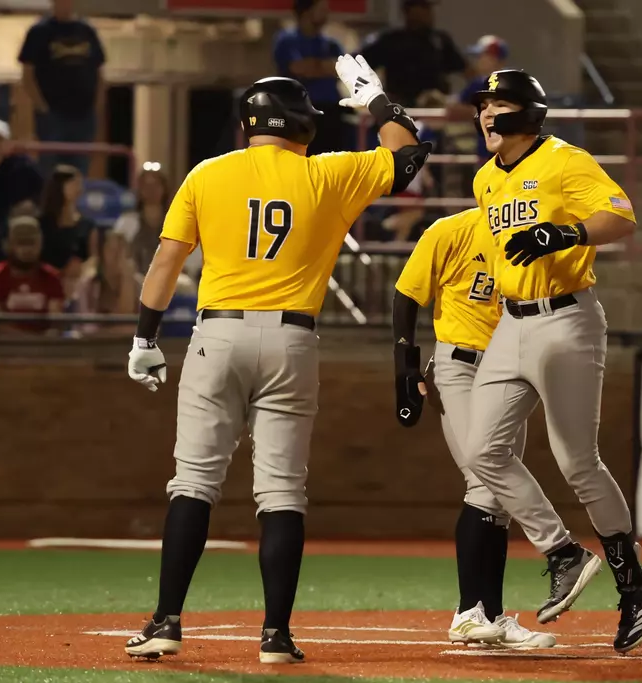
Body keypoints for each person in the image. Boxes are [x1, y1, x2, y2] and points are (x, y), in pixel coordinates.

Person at [122, 58, 432, 664]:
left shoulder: (207, 174)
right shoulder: (328, 174)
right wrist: (374, 99)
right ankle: (276, 637)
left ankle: (165, 621)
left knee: (192, 485)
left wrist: (143, 339)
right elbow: (409, 153)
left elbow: (165, 263)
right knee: (283, 493)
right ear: (299, 123)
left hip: (217, 336)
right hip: (293, 340)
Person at [440, 69, 642, 652]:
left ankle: (634, 581)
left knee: (577, 462)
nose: (487, 114)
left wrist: (561, 233)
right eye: (483, 104)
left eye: (500, 104)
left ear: (529, 114)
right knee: (482, 452)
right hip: (510, 322)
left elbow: (621, 216)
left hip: (567, 317)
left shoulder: (565, 159)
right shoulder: (486, 177)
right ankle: (563, 551)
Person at [392, 207, 555, 649]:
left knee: (498, 498)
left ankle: (493, 617)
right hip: (460, 365)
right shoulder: (453, 230)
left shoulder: (535, 237)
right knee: (483, 485)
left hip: (509, 372)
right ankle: (468, 613)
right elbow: (407, 294)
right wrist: (405, 366)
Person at [18, 0, 105, 176]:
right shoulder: (39, 32)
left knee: (79, 170)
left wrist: (96, 106)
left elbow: (99, 73)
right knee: (51, 170)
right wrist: (42, 108)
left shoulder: (87, 31)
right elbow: (27, 75)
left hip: (84, 116)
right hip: (53, 116)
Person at [273, 0, 348, 156]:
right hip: (299, 112)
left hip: (330, 112)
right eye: (321, 9)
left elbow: (343, 69)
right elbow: (299, 69)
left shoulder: (331, 44)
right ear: (306, 12)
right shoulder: (287, 40)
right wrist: (324, 66)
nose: (327, 14)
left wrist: (314, 65)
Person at [359, 0, 467, 107]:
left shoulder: (439, 41)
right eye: (424, 7)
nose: (430, 13)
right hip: (400, 109)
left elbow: (467, 71)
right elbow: (356, 66)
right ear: (409, 10)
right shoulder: (390, 40)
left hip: (433, 110)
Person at [0, 216, 65, 336]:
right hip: (5, 349)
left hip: (44, 350)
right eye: (21, 243)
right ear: (10, 245)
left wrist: (44, 341)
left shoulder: (52, 278)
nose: (27, 249)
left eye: (31, 243)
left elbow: (56, 321)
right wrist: (31, 341)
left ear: (40, 244)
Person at [0, 120, 44, 232]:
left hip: (18, 222)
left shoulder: (24, 166)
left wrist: (31, 203)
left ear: (9, 143)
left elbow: (40, 189)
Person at [446, 35, 510, 163]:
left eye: (481, 56)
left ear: (494, 59)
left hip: (503, 149)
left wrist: (475, 110)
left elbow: (453, 108)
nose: (478, 61)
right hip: (492, 149)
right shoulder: (482, 82)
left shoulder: (485, 82)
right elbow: (453, 107)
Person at [38, 165, 95, 298]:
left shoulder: (87, 225)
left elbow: (93, 258)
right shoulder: (42, 225)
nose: (79, 189)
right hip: (47, 284)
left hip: (78, 287)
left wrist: (81, 269)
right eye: (73, 184)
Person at [72, 230, 137, 336]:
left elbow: (151, 328)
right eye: (112, 250)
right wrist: (120, 330)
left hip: (130, 347)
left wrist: (127, 281)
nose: (117, 256)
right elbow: (89, 328)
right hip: (94, 347)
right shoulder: (88, 286)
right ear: (102, 253)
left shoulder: (139, 286)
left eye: (121, 251)